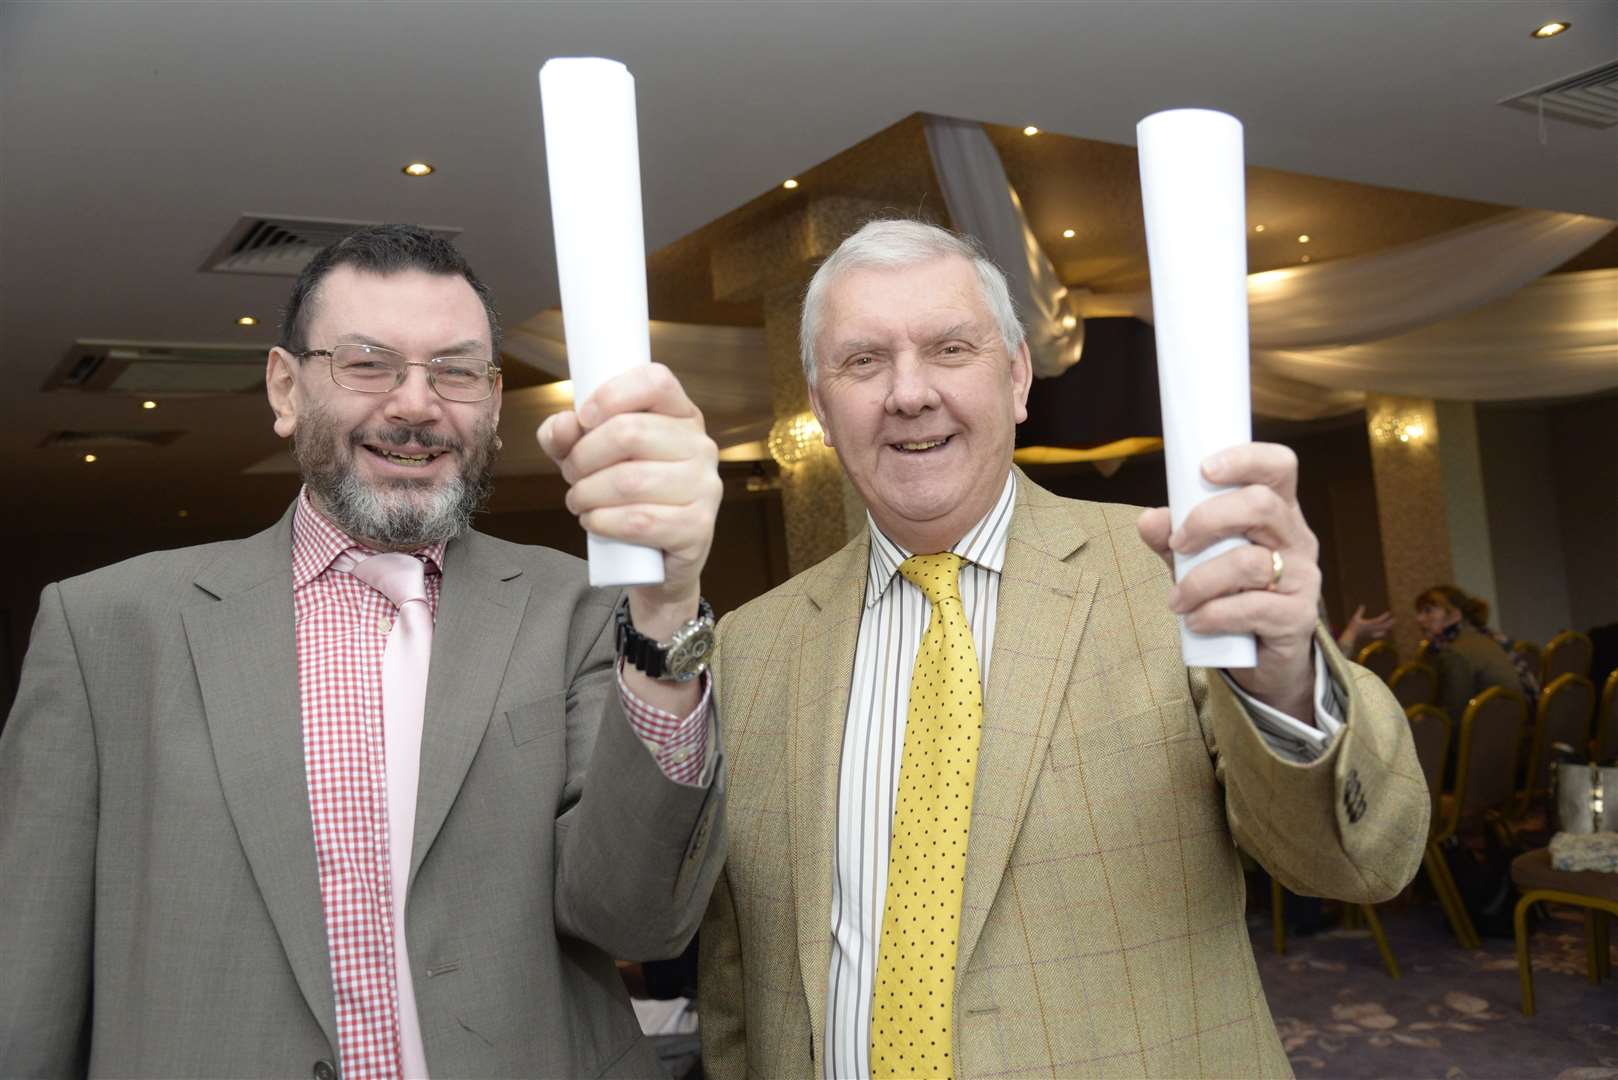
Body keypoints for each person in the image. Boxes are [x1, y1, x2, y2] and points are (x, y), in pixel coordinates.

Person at [694, 220, 1427, 1079]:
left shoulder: (1172, 575)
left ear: (1015, 379)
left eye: (949, 348)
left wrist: (1287, 681)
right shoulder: (750, 646)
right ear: (819, 407)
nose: (908, 393)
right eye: (863, 362)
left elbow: (1363, 863)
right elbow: (738, 980)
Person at [0, 225, 726, 1078]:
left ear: (493, 404)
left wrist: (668, 605)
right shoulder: (107, 630)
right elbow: (30, 986)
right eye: (368, 363)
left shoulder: (582, 611)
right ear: (286, 387)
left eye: (454, 371)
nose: (415, 405)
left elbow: (637, 919)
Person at [1415, 584, 1536, 720]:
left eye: (1428, 611)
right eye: (1419, 612)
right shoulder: (1489, 638)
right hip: (1515, 728)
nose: (1418, 619)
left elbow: (1455, 716)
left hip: (1488, 732)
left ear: (1455, 615)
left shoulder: (1455, 652)